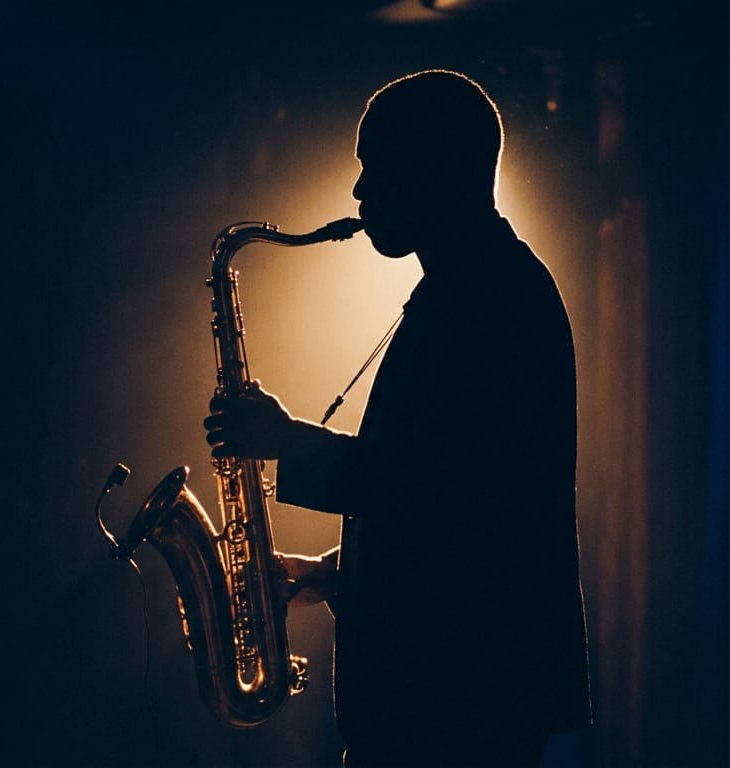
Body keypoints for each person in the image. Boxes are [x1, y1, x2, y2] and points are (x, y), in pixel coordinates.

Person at [204, 69, 591, 768]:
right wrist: (328, 574)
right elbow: (457, 517)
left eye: (375, 167)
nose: (357, 193)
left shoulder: (496, 299)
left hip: (459, 710)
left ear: (435, 167)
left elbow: (453, 490)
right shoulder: (465, 289)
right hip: (446, 705)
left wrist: (285, 440)